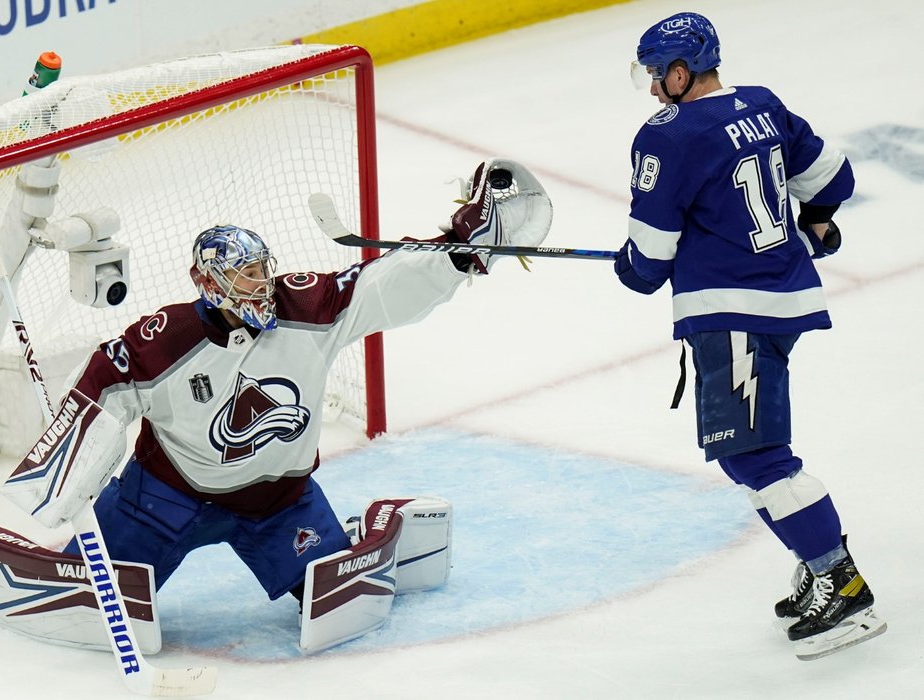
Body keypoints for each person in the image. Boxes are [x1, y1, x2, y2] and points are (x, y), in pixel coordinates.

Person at [57, 158, 552, 607]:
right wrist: (60, 478)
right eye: (245, 275)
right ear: (209, 282)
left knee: (342, 603)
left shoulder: (307, 307)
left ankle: (356, 533)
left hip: (277, 501)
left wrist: (456, 253)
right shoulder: (166, 339)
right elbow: (103, 384)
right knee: (83, 600)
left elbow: (379, 285)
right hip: (163, 497)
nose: (262, 284)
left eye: (262, 270)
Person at [614, 12, 885, 654]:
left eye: (657, 77)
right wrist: (815, 221)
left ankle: (840, 584)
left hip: (732, 311)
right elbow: (832, 177)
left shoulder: (666, 136)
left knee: (756, 456)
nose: (654, 90)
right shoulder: (760, 105)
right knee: (757, 452)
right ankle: (815, 553)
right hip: (783, 300)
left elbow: (646, 265)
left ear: (680, 74)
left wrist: (630, 261)